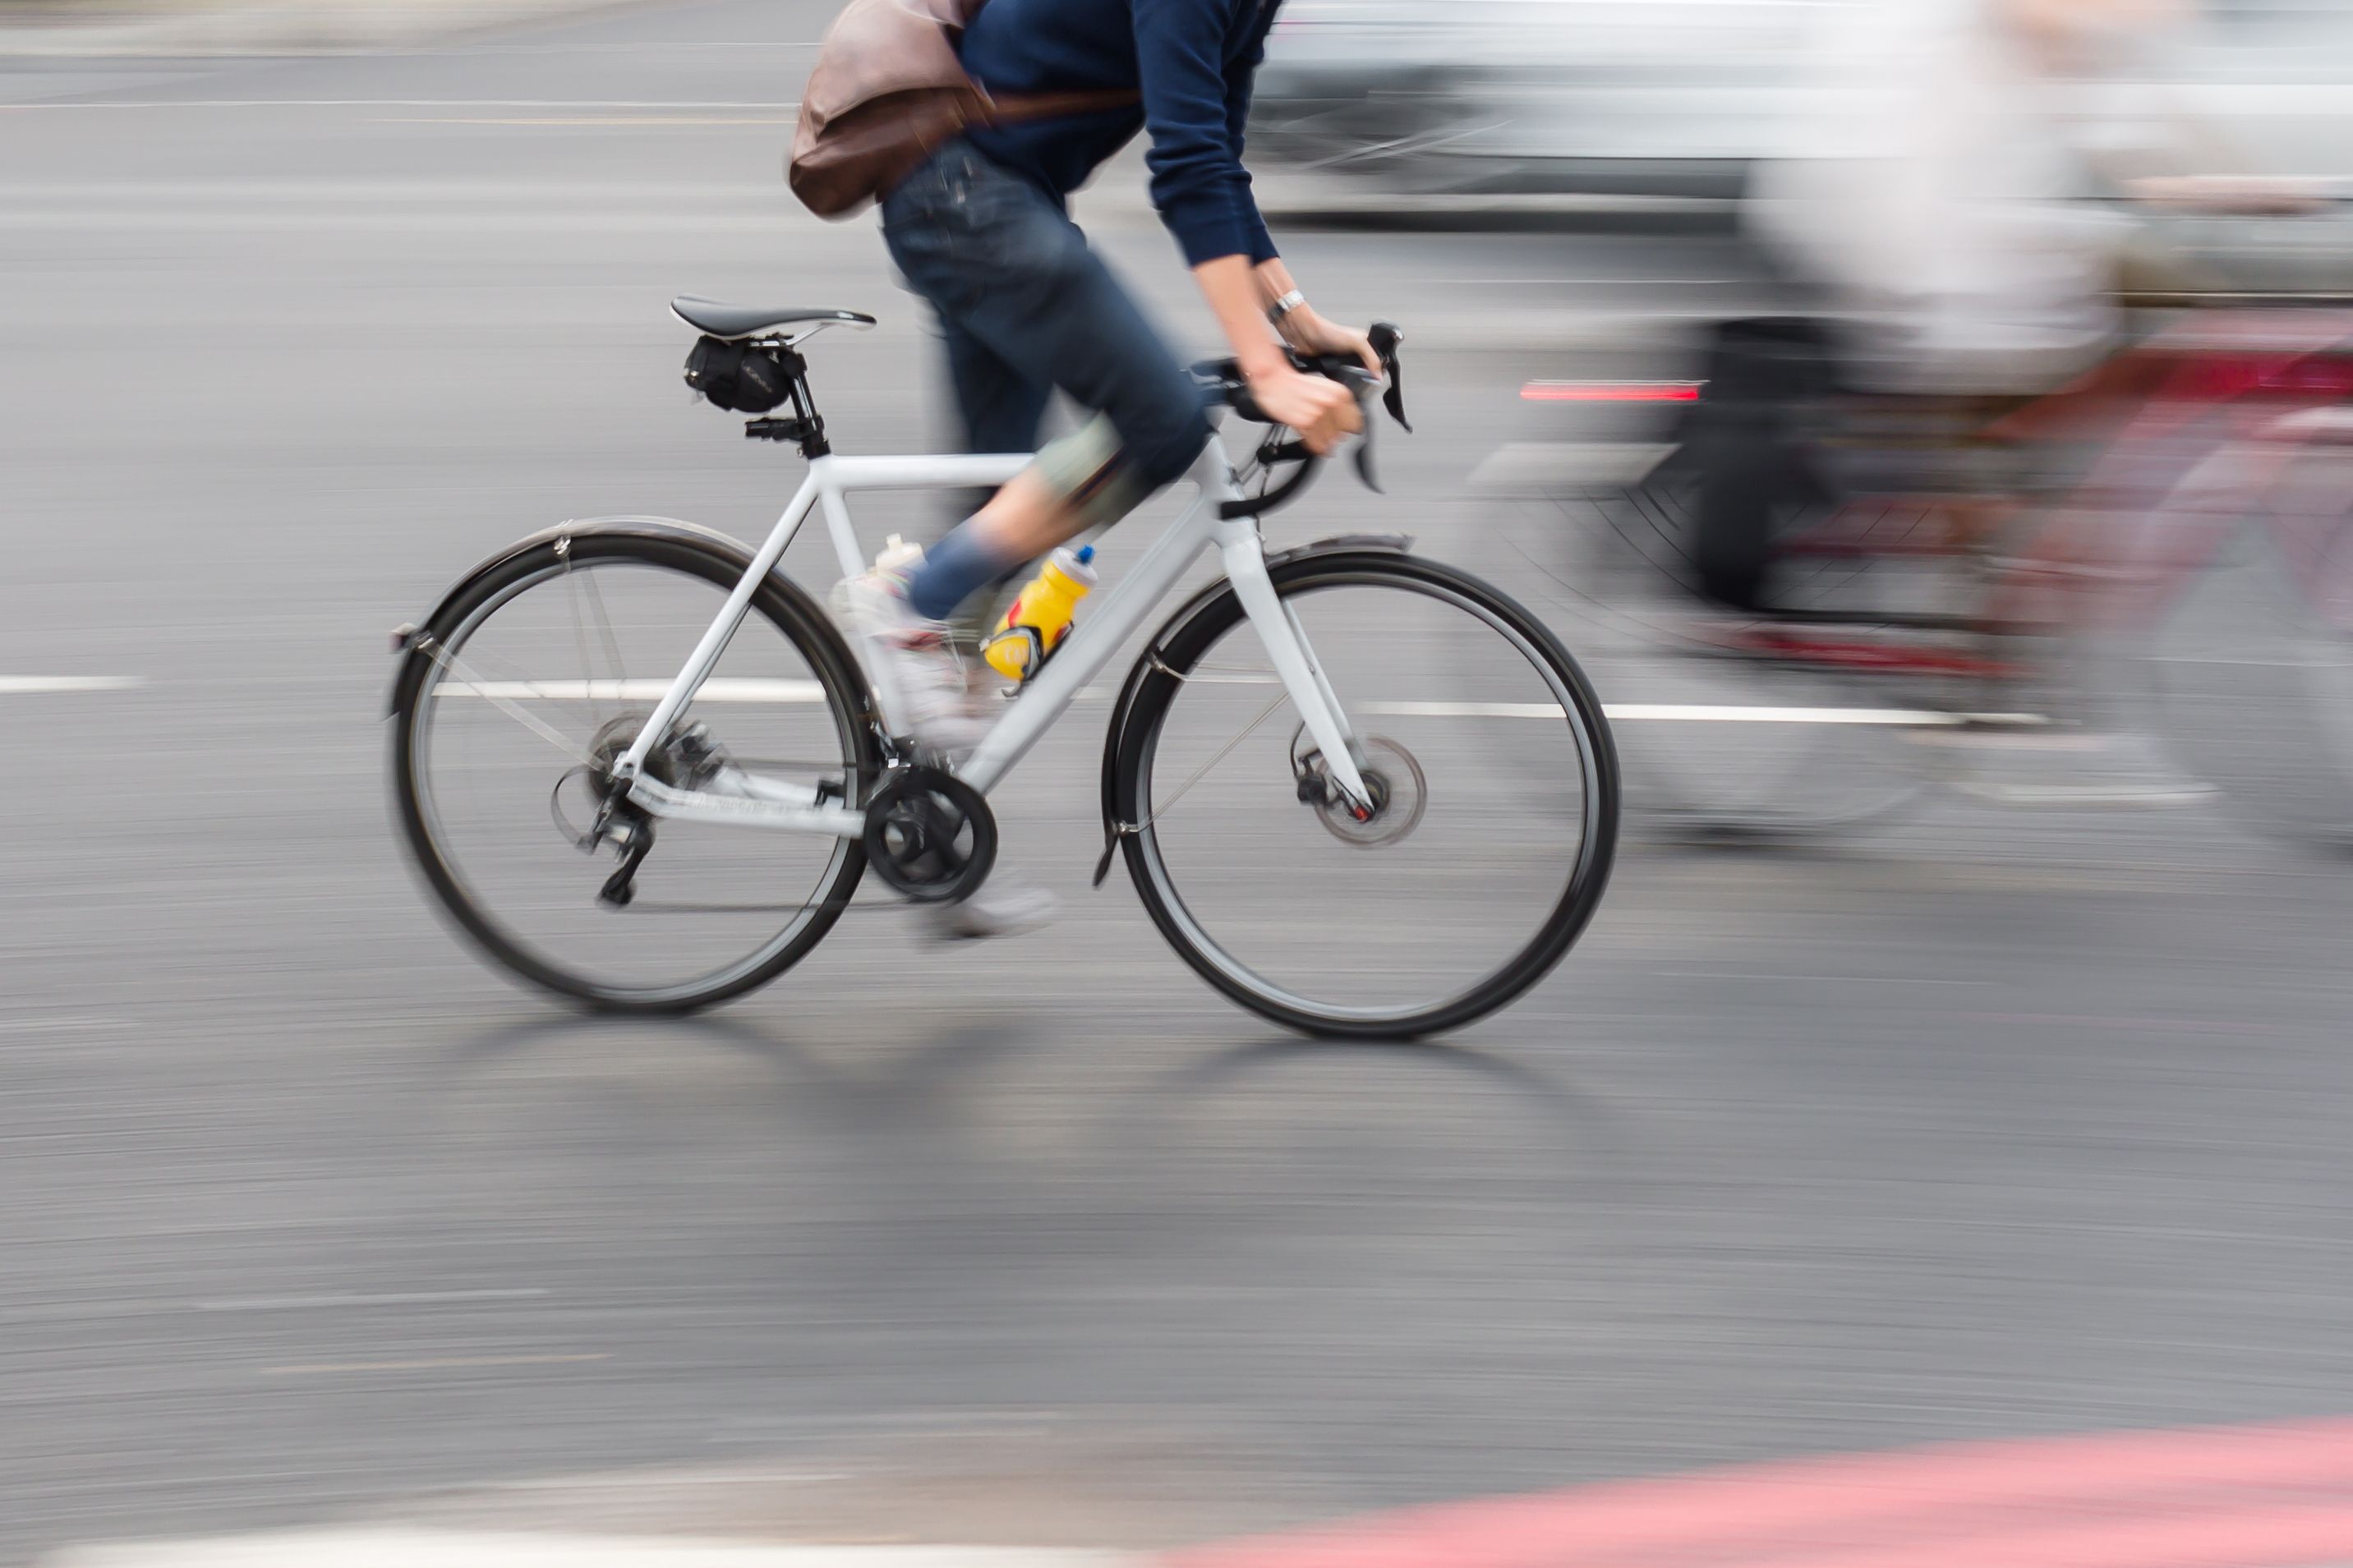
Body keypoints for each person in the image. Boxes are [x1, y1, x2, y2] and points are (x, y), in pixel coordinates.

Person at [841, 0, 1377, 935]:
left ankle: (922, 842)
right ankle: (905, 607)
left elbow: (1219, 161)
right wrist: (1259, 368)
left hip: (991, 198)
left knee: (993, 523)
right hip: (965, 198)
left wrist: (1293, 321)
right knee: (1160, 424)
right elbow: (1184, 171)